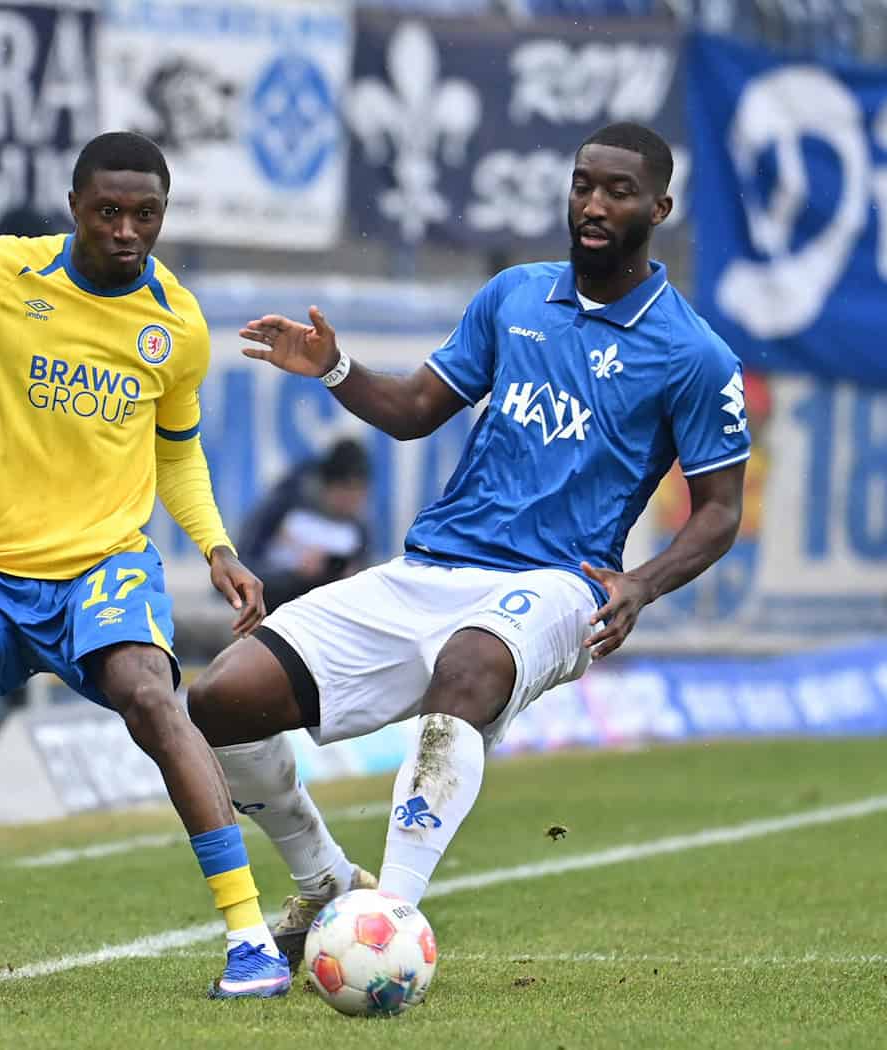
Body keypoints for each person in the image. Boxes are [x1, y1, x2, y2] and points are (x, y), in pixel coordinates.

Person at [186, 122, 750, 970]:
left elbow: (720, 512)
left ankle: (388, 924)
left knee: (470, 663)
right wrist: (337, 369)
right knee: (222, 698)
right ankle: (328, 880)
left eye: (619, 191)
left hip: (560, 583)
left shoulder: (694, 355)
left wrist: (640, 583)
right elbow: (416, 409)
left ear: (660, 208)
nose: (594, 205)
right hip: (431, 567)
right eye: (583, 185)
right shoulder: (513, 296)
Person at [0, 131, 290, 999]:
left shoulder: (176, 324)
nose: (127, 230)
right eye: (108, 211)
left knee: (153, 699)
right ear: (74, 205)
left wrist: (217, 547)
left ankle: (250, 938)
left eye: (146, 214)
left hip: (104, 570)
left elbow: (177, 453)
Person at [239, 437, 373, 608]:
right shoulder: (284, 505)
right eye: (345, 490)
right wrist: (296, 574)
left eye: (358, 492)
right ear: (327, 485)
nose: (351, 501)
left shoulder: (357, 528)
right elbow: (242, 568)